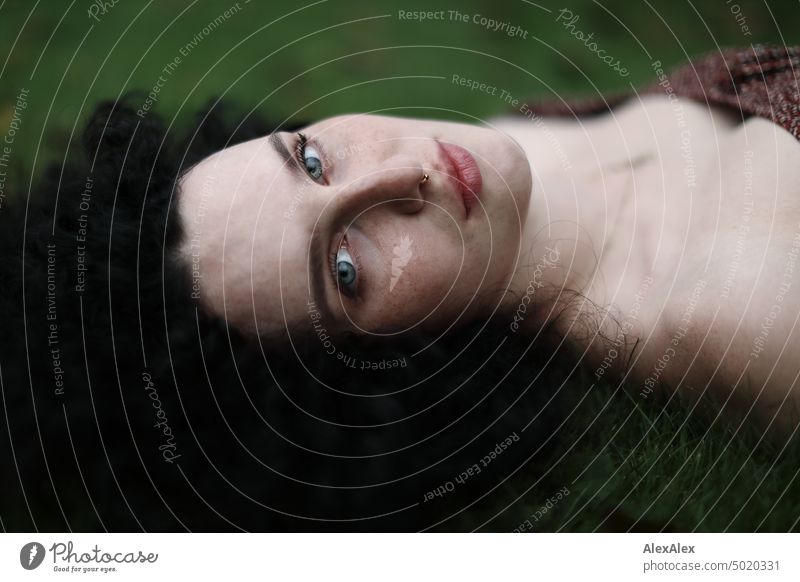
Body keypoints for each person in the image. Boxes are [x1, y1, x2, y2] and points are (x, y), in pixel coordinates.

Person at [0, 44, 796, 532]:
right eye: (348, 269)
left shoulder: (509, 144)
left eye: (310, 161)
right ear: (386, 374)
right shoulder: (729, 308)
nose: (402, 173)